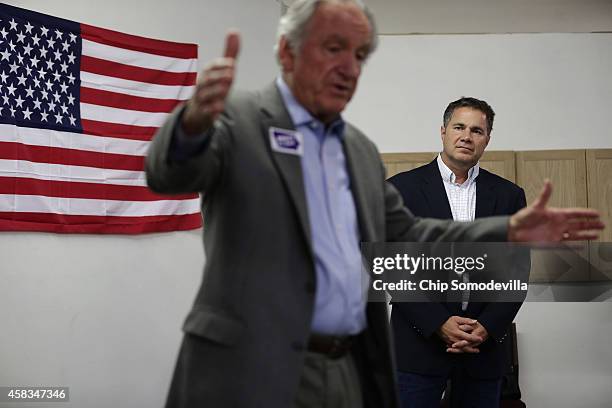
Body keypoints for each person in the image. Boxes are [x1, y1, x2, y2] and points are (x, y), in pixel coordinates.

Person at [145, 1, 603, 407]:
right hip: (250, 361)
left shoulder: (360, 151)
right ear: (289, 52)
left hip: (345, 363)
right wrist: (191, 126)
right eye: (333, 48)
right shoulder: (238, 117)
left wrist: (507, 232)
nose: (348, 66)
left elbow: (415, 236)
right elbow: (171, 174)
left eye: (359, 54)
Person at [389, 97, 528, 407]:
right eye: (459, 127)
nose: (467, 136)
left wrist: (487, 327)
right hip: (417, 348)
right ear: (443, 131)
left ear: (487, 139)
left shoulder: (508, 196)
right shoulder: (400, 190)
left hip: (483, 350)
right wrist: (439, 323)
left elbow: (516, 274)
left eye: (477, 130)